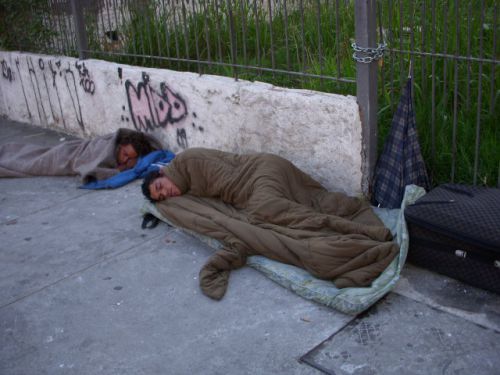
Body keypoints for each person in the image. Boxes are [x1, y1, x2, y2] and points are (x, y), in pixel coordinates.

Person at [142, 148, 399, 301]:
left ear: (163, 174)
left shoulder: (187, 161)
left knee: (269, 212)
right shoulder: (185, 186)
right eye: (162, 198)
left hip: (261, 173)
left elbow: (231, 184)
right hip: (256, 182)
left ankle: (363, 232)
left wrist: (248, 216)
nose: (169, 194)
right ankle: (351, 232)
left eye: (162, 188)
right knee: (290, 210)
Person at [0, 128, 162, 183]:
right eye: (125, 154)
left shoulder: (127, 157)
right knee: (30, 161)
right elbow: (85, 168)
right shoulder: (105, 148)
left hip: (70, 152)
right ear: (119, 146)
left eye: (130, 158)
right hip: (66, 155)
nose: (125, 159)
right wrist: (118, 171)